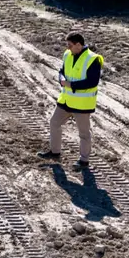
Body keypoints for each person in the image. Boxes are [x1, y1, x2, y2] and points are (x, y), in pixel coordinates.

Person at [38, 32, 104, 169]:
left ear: (78, 45)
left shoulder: (93, 59)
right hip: (66, 101)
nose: (67, 48)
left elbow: (92, 82)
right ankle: (55, 152)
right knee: (54, 123)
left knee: (84, 134)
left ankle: (84, 161)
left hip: (82, 104)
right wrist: (61, 79)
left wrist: (71, 85)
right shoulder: (68, 54)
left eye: (70, 45)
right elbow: (62, 71)